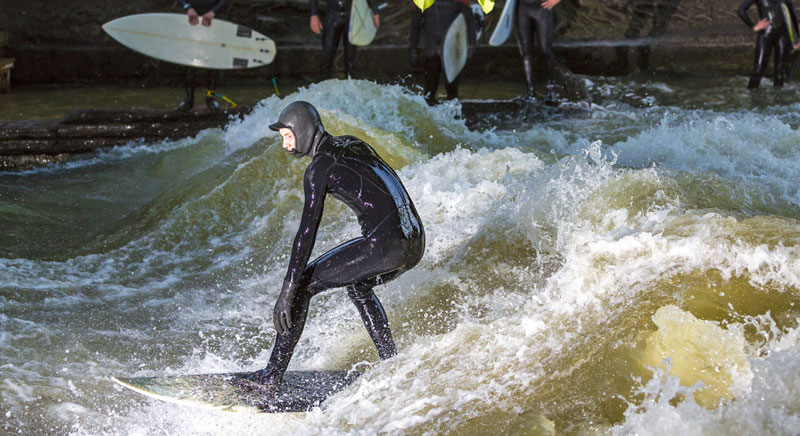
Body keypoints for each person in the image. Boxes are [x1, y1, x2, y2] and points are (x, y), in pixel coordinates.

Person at [245, 101, 425, 397]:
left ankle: (271, 376)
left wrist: (288, 288)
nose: (285, 145)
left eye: (288, 137)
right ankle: (391, 361)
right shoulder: (353, 143)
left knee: (304, 285)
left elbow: (307, 231)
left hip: (386, 244)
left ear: (303, 131)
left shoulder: (318, 170)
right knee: (359, 286)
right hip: (415, 239)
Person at [409, 0, 478, 106]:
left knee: (452, 91)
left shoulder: (460, 1)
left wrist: (472, 45)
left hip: (452, 49)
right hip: (431, 49)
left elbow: (470, 23)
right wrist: (413, 50)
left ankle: (453, 118)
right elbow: (415, 26)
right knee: (429, 90)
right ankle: (430, 116)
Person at [175, 0, 232, 110]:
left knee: (212, 60)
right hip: (191, 17)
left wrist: (213, 12)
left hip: (213, 18)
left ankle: (210, 99)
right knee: (189, 59)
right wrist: (188, 7)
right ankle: (189, 99)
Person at [310, 0, 381, 80]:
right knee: (327, 53)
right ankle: (323, 82)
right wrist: (314, 15)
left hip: (352, 17)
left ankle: (350, 83)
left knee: (351, 57)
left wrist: (376, 13)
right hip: (332, 16)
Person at [738, 0, 799, 89]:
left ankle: (778, 99)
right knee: (759, 69)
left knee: (780, 70)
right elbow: (741, 10)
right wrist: (753, 26)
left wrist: (796, 39)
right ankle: (752, 94)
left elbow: (793, 16)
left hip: (783, 35)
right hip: (766, 35)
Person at [516, 0, 562, 102]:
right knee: (526, 51)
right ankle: (530, 91)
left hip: (542, 8)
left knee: (545, 49)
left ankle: (551, 89)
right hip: (524, 8)